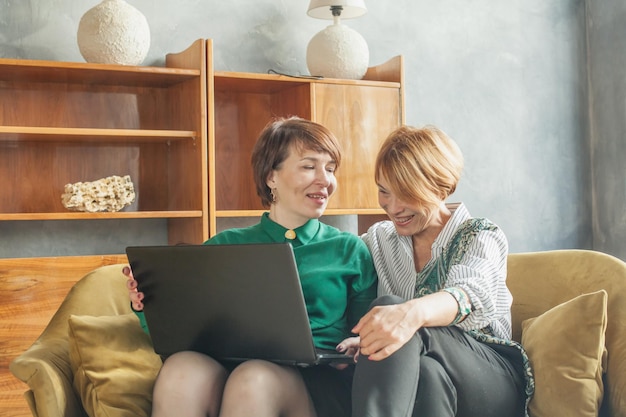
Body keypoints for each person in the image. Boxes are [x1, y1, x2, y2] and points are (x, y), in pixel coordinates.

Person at [125, 117, 377, 417]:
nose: (325, 180)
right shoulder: (225, 246)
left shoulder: (349, 249)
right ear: (271, 177)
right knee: (181, 369)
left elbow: (368, 331)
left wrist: (359, 342)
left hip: (315, 382)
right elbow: (176, 331)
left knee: (253, 378)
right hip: (230, 369)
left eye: (331, 168)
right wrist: (144, 302)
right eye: (309, 166)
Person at [343, 125, 533, 417]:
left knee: (396, 313)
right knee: (428, 374)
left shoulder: (481, 234)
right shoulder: (380, 239)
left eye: (405, 193)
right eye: (384, 192)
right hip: (433, 376)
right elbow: (336, 264)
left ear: (441, 187)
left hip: (493, 379)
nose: (392, 208)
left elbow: (470, 295)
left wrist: (409, 315)